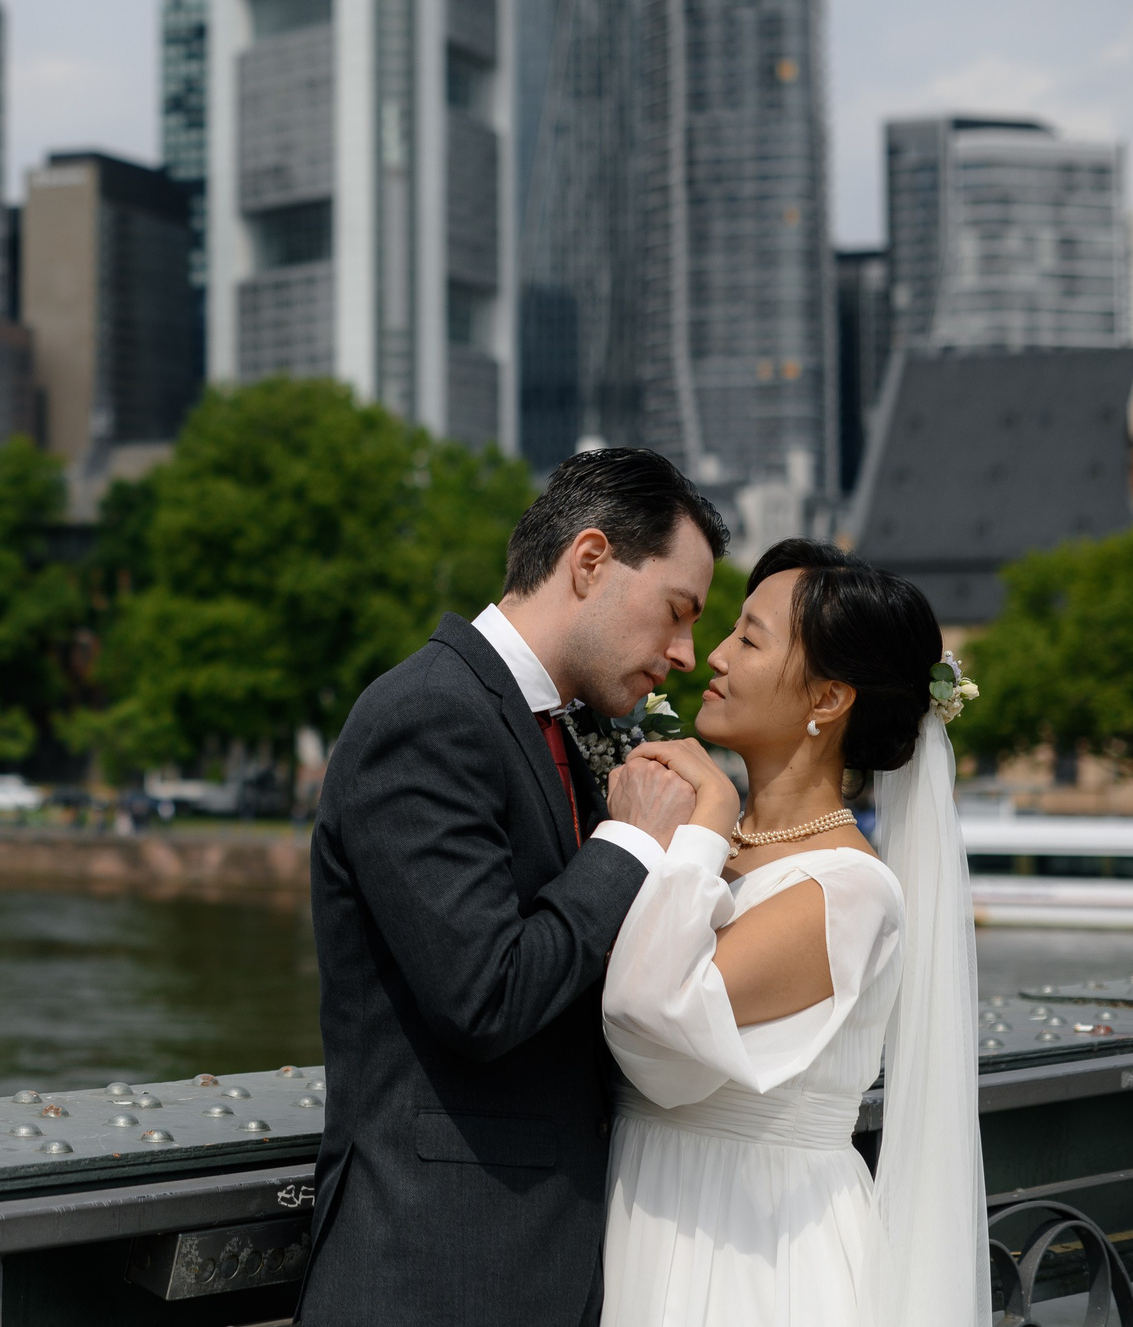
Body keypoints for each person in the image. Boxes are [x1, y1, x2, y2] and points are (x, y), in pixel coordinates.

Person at [300, 448, 726, 1326]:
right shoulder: (425, 713)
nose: (684, 655)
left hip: (546, 1266)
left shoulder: (556, 728)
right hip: (437, 1273)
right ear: (591, 559)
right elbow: (484, 993)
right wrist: (631, 842)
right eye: (677, 613)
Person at [600, 540, 986, 1325]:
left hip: (751, 1252)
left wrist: (706, 820)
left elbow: (649, 1007)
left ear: (829, 697)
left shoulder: (849, 890)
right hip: (641, 1212)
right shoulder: (708, 841)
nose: (713, 656)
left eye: (749, 638)